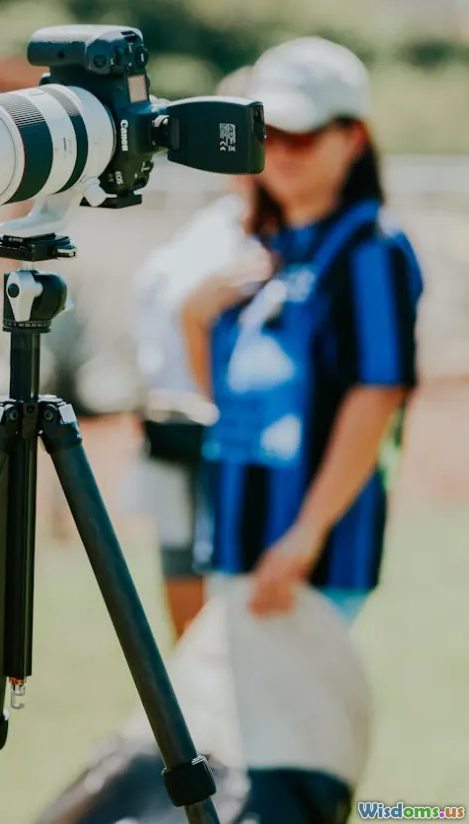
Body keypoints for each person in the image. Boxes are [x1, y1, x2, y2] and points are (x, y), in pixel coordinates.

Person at [184, 37, 423, 627]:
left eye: (304, 133)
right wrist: (192, 317)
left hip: (309, 562)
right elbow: (223, 400)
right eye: (270, 133)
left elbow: (380, 393)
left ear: (354, 138)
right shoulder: (266, 249)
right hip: (239, 539)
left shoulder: (371, 250)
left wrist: (306, 534)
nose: (283, 152)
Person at [130, 70, 267, 637]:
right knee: (186, 618)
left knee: (246, 623)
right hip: (173, 441)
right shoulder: (205, 230)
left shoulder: (282, 243)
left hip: (237, 446)